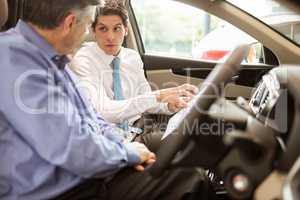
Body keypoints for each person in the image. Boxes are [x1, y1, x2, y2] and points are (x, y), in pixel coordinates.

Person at [0, 0, 215, 199]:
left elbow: (92, 118)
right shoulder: (16, 61)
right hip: (60, 189)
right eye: (89, 27)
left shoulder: (50, 58)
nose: (89, 35)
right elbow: (75, 150)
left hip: (86, 168)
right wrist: (127, 153)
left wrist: (122, 145)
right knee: (192, 180)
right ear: (70, 23)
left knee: (184, 166)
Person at [71, 1, 198, 135]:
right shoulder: (84, 59)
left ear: (125, 30)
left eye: (117, 28)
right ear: (94, 31)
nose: (110, 37)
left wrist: (169, 106)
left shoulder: (132, 57)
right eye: (103, 29)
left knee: (192, 132)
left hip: (137, 127)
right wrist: (158, 95)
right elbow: (103, 111)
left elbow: (146, 98)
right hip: (105, 133)